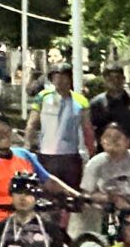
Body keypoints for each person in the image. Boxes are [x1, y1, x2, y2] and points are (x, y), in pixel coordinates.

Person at [0, 111, 56, 247]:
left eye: (7, 130)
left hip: (28, 216)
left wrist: (76, 195)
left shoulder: (24, 155)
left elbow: (48, 181)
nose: (4, 135)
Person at [29, 63, 88, 191]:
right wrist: (28, 146)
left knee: (71, 192)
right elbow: (32, 123)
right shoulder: (42, 97)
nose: (60, 81)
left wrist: (91, 152)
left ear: (70, 78)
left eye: (64, 77)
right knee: (46, 192)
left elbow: (87, 128)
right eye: (56, 77)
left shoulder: (81, 100)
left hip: (70, 156)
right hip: (46, 155)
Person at [85, 65, 130, 154]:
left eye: (118, 78)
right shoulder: (96, 103)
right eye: (111, 79)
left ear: (124, 79)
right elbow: (91, 128)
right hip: (106, 152)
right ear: (104, 80)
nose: (115, 81)